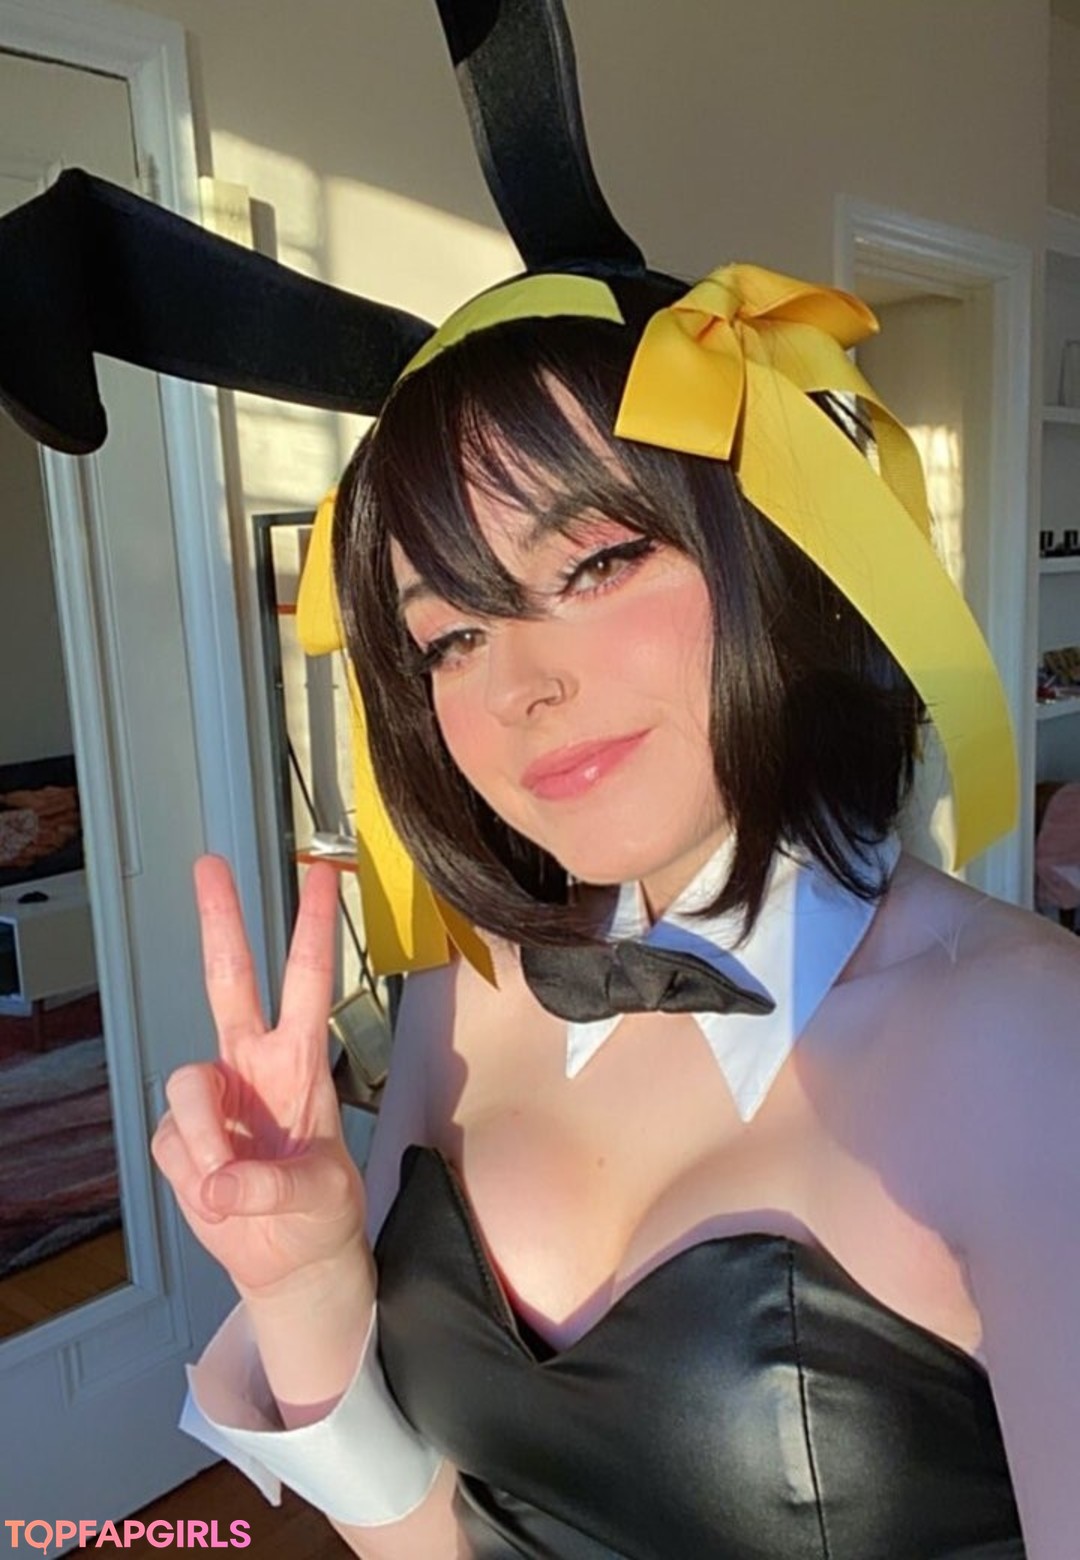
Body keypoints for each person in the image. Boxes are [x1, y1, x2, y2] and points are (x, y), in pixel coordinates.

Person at [153, 274, 1080, 1560]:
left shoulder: (1028, 1045)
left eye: (594, 564)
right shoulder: (463, 993)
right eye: (453, 638)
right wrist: (303, 1281)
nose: (523, 687)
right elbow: (431, 1538)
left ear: (772, 545)